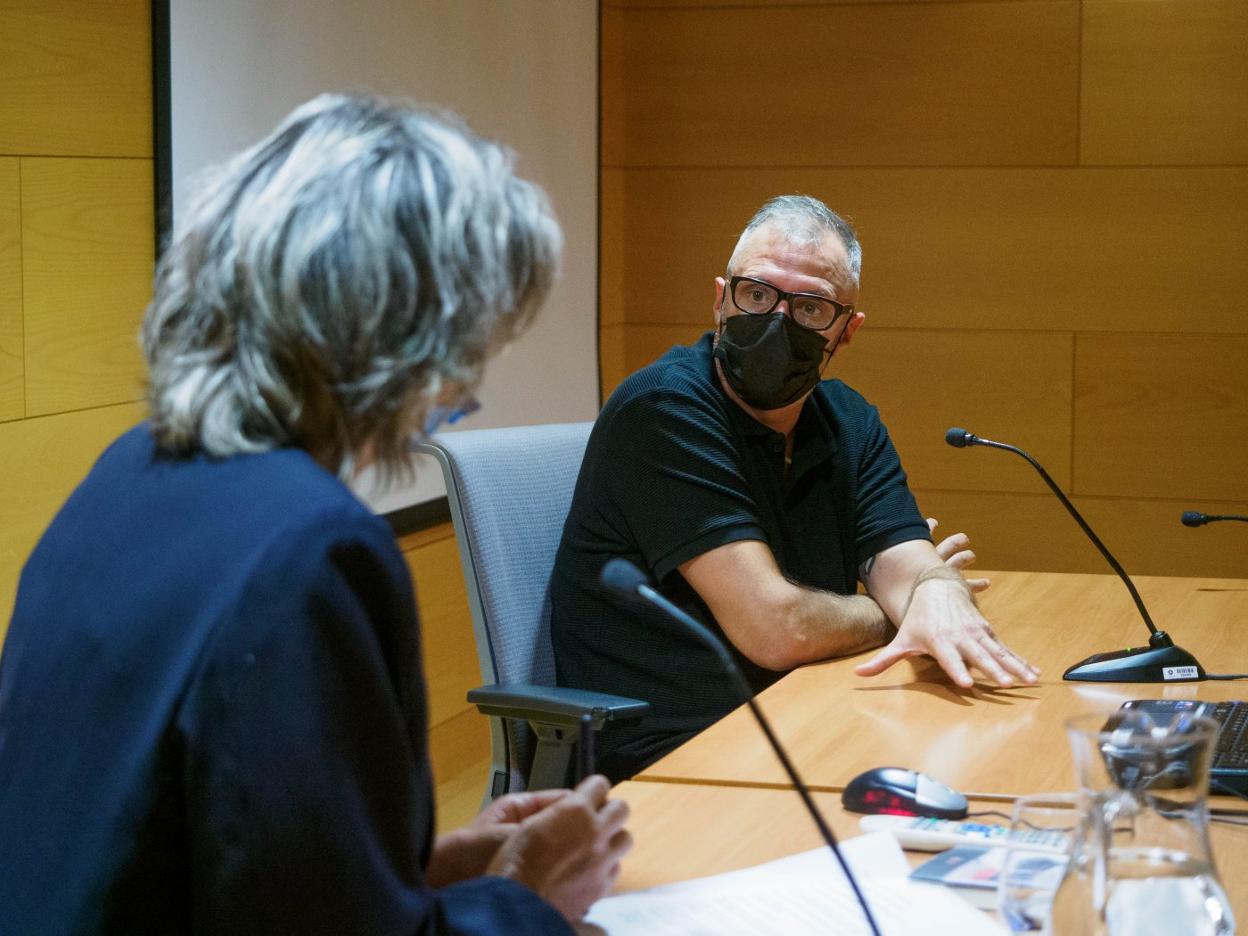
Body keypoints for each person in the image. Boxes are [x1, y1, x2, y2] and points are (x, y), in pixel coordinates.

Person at [0, 94, 629, 935]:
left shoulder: (126, 475)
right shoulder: (312, 551)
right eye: (469, 352)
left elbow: (199, 856)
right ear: (401, 334)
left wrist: (419, 872)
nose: (462, 393)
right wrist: (526, 897)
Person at [551, 195, 1039, 782]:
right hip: (671, 751)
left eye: (810, 307)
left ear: (846, 330)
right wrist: (901, 610)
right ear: (720, 300)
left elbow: (907, 564)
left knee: (989, 767)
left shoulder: (847, 419)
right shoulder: (664, 408)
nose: (777, 319)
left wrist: (932, 587)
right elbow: (777, 630)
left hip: (801, 710)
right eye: (757, 294)